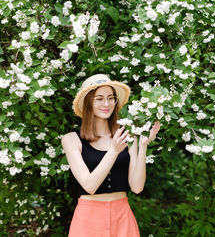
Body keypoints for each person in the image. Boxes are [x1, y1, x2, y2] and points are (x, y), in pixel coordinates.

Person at [62, 74, 161, 236]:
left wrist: (143, 147)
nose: (106, 104)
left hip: (122, 216)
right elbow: (89, 186)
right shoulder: (71, 139)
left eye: (110, 98)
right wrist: (114, 150)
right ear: (88, 103)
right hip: (88, 220)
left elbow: (136, 187)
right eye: (99, 99)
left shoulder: (127, 137)